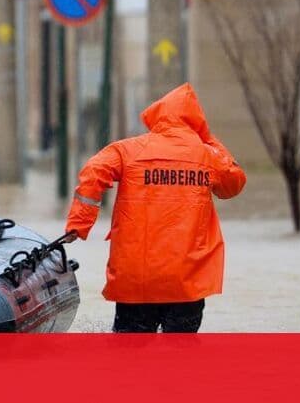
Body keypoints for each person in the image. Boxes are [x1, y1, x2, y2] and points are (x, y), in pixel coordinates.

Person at [65, 83, 245, 333]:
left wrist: (79, 225)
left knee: (130, 359)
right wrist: (207, 138)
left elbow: (93, 172)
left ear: (157, 115)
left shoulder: (127, 149)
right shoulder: (207, 156)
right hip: (187, 281)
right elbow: (233, 184)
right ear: (196, 120)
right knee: (179, 360)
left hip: (136, 278)